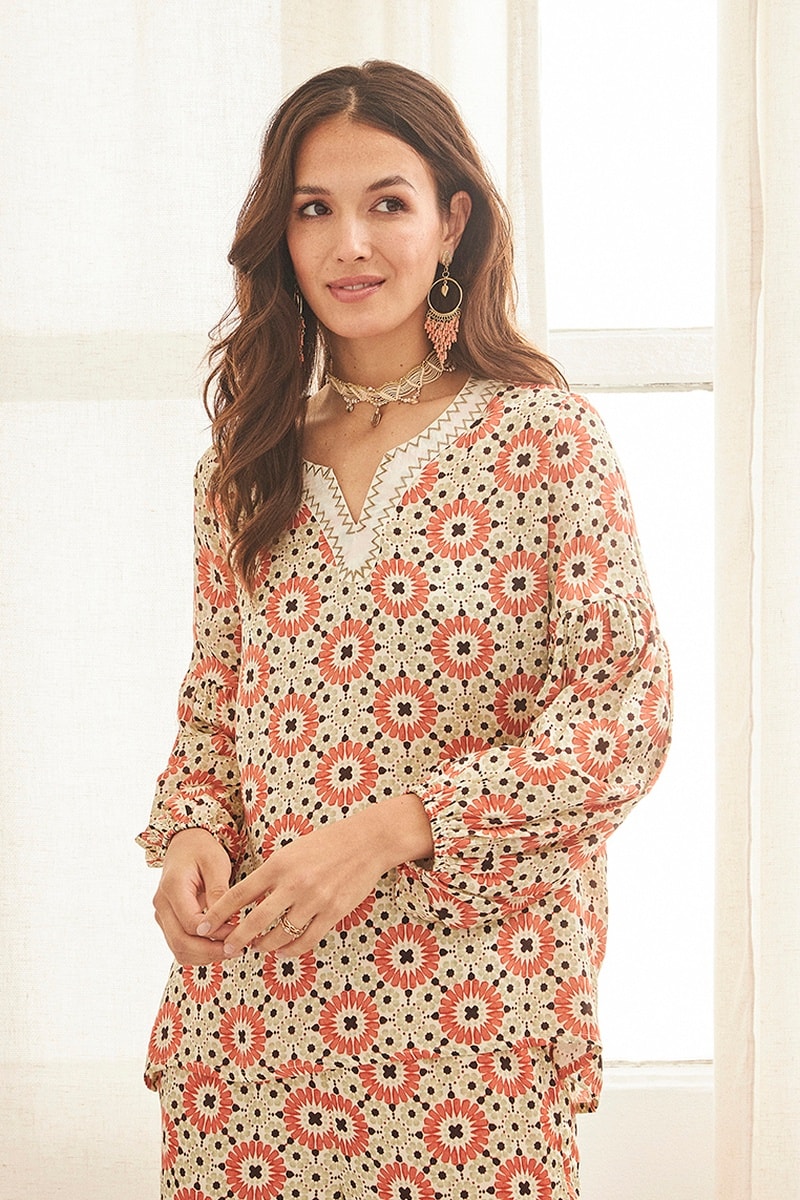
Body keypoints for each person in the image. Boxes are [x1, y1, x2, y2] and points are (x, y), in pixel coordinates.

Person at [138, 60, 672, 1200]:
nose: (350, 245)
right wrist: (188, 837)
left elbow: (621, 720)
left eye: (387, 203)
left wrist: (394, 829)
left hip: (471, 1027)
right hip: (254, 1033)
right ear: (281, 238)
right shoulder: (243, 467)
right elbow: (213, 709)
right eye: (312, 209)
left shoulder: (543, 439)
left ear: (451, 223)